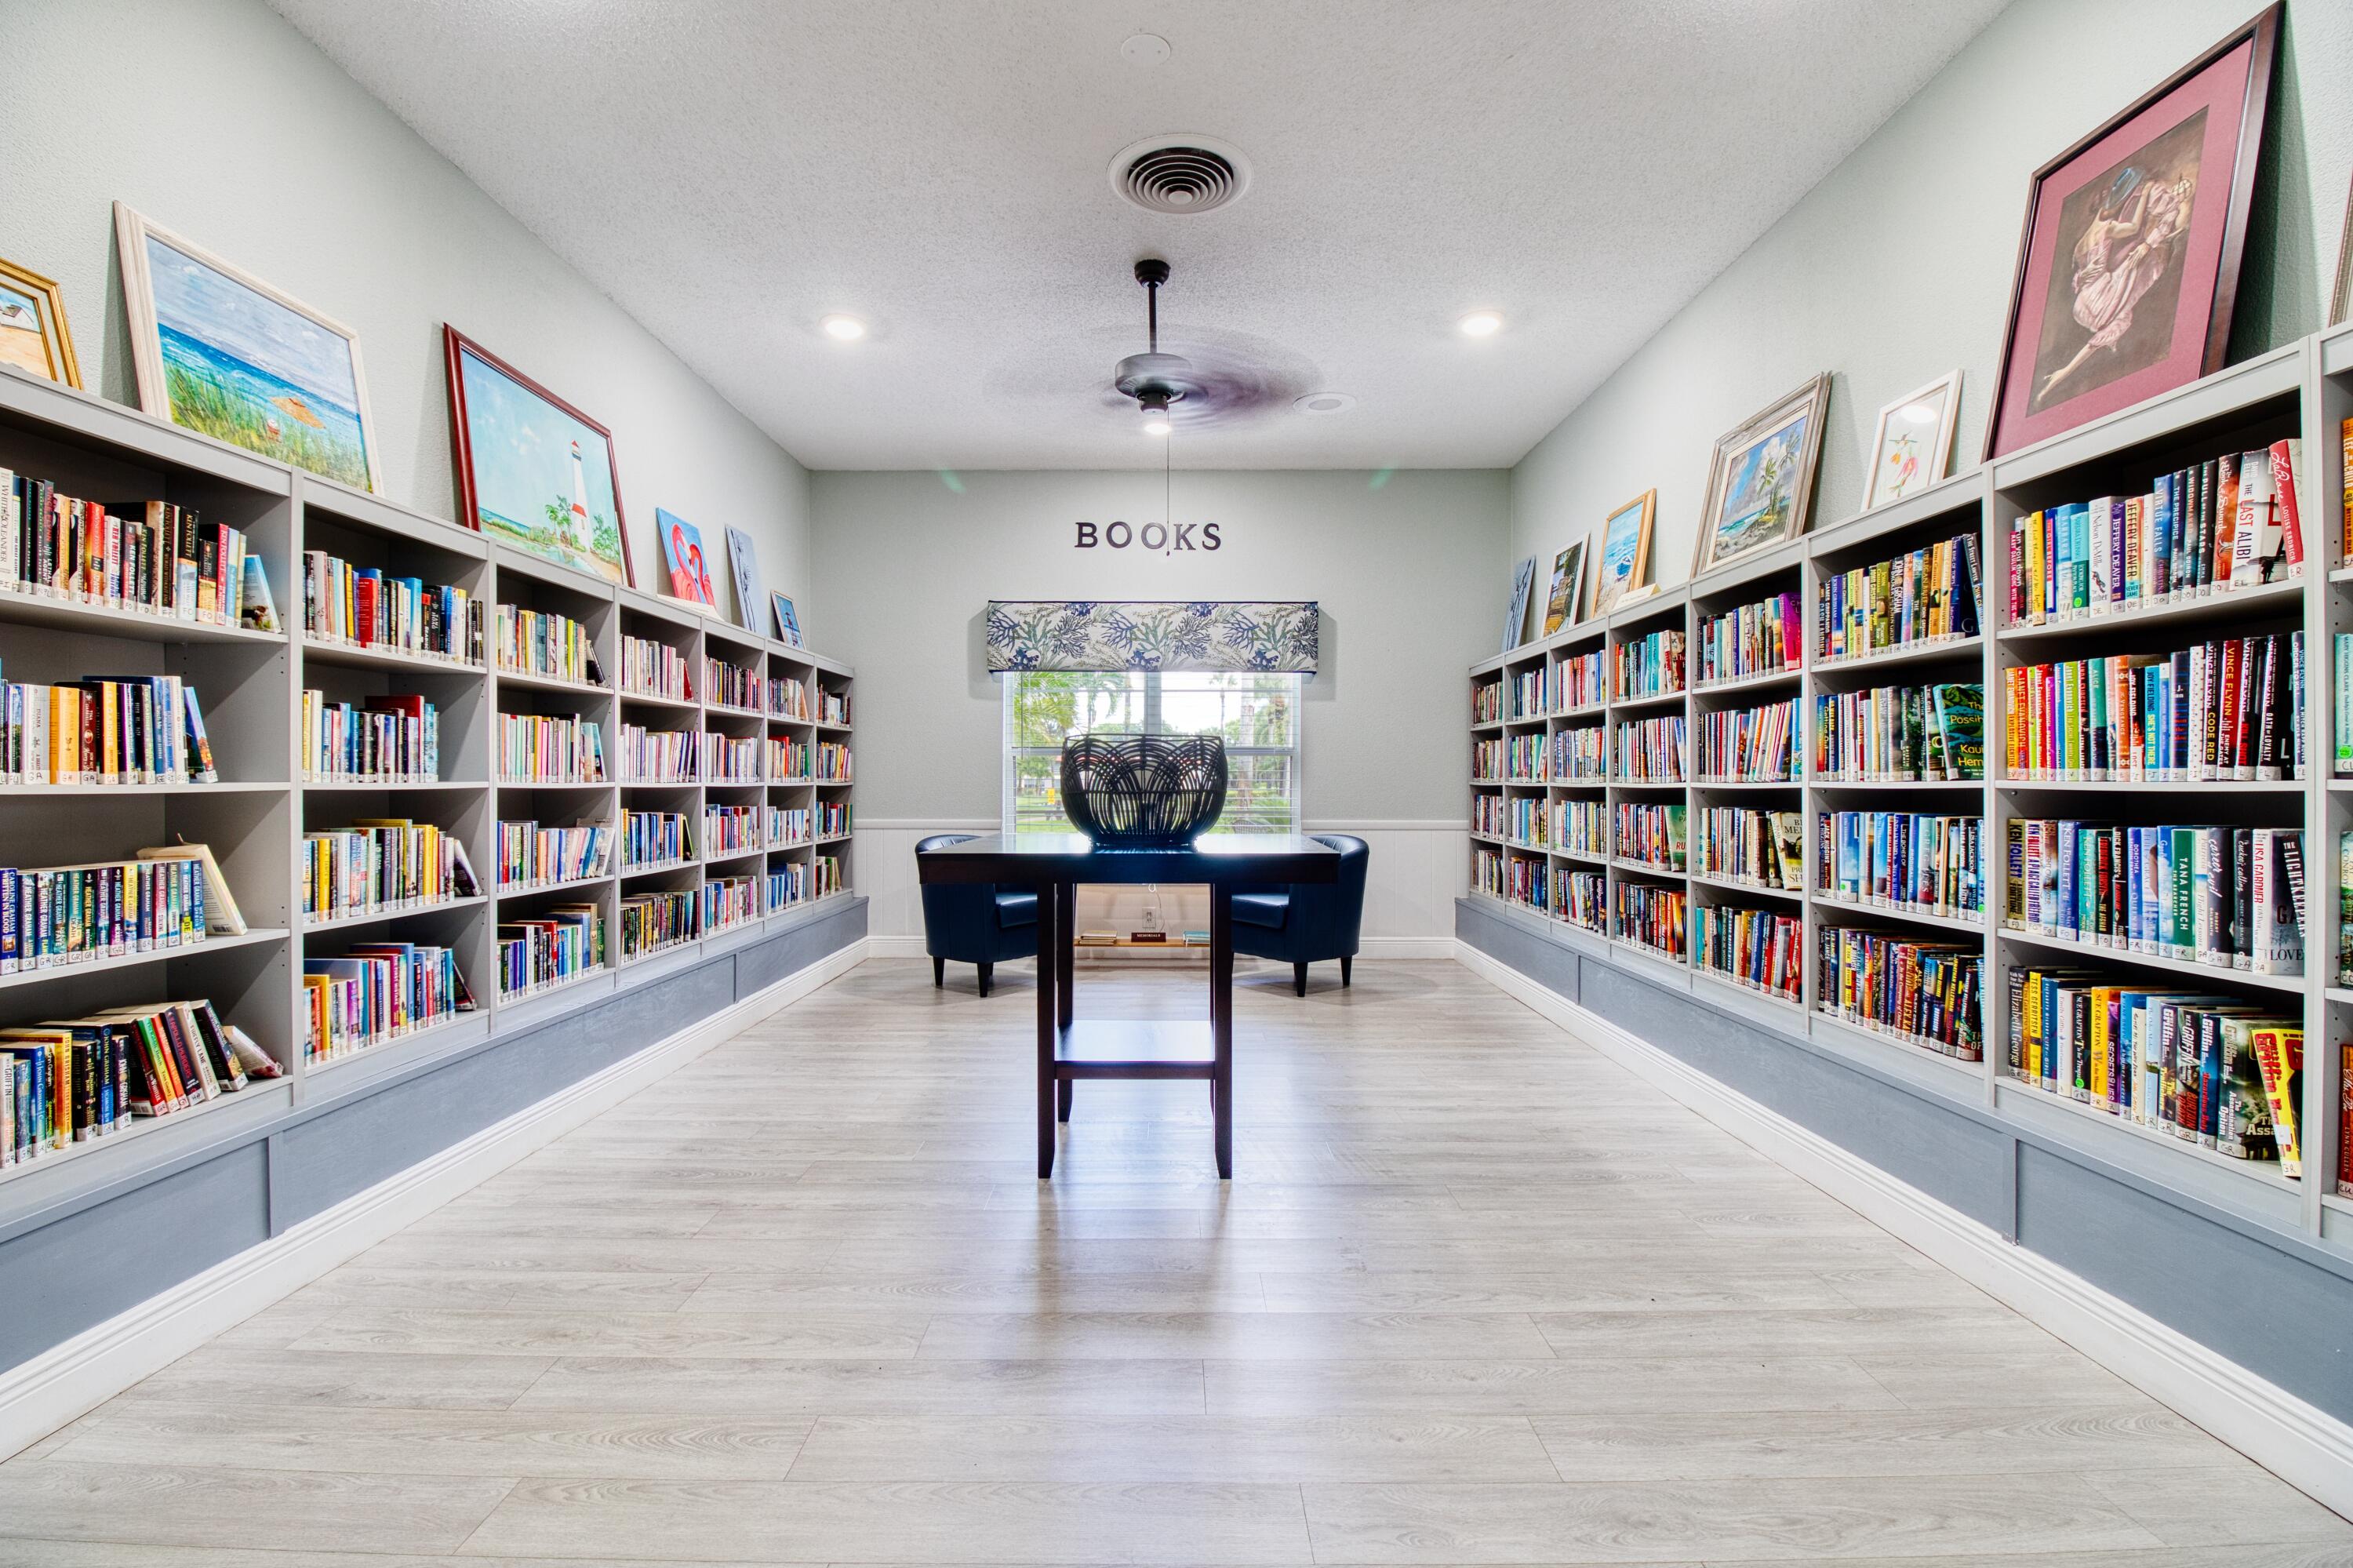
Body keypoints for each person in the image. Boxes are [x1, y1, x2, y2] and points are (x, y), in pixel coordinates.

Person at [2035, 165, 2195, 406]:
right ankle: (2062, 374)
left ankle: (2062, 374)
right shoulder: (2108, 229)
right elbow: (2132, 227)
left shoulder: (2090, 236)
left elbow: (2083, 274)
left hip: (2086, 302)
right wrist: (2146, 192)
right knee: (2128, 297)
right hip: (2099, 301)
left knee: (2118, 313)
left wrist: (2085, 276)